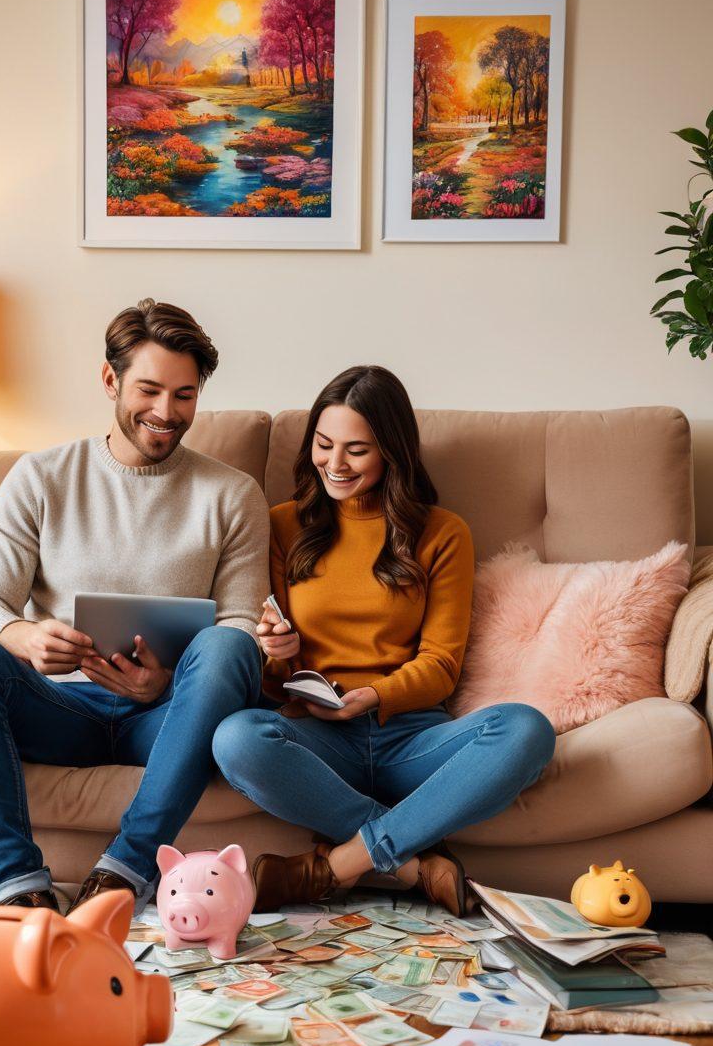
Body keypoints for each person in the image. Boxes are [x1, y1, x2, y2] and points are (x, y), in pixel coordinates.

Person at [0, 299, 269, 913]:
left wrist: (164, 681)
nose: (167, 414)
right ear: (109, 380)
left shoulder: (233, 495)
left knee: (226, 645)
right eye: (150, 390)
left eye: (185, 395)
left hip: (167, 717)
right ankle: (19, 889)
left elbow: (242, 626)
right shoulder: (40, 478)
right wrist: (22, 637)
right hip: (58, 705)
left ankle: (126, 871)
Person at [212, 365, 556, 915]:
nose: (335, 464)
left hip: (411, 738)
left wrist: (374, 696)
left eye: (357, 450)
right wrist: (276, 655)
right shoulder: (281, 525)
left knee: (526, 730)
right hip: (318, 739)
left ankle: (335, 867)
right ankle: (417, 866)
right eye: (324, 445)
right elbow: (274, 679)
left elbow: (442, 663)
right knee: (235, 738)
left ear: (392, 453)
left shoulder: (443, 533)